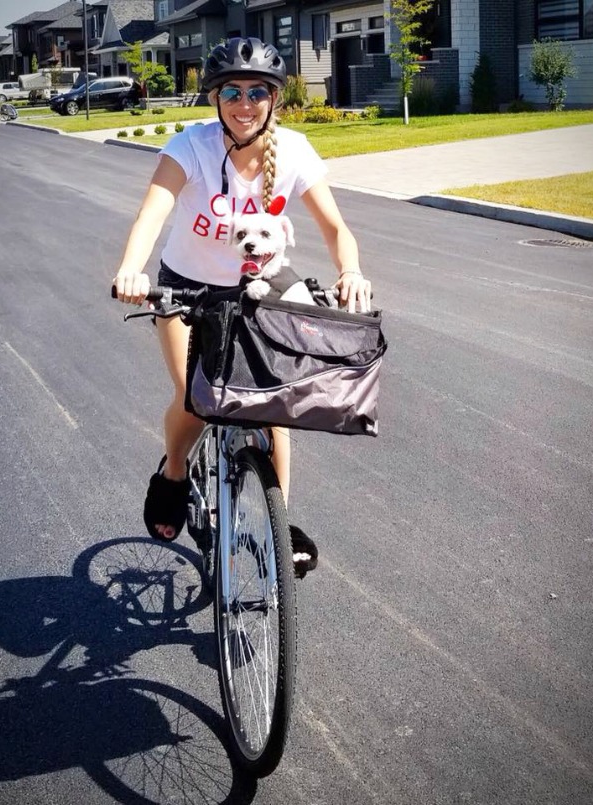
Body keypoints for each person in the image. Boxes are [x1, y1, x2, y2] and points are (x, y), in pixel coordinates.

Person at [112, 37, 372, 577]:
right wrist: (132, 269)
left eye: (258, 91)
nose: (245, 101)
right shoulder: (191, 146)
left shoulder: (295, 150)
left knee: (272, 402)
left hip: (260, 288)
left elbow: (336, 229)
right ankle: (176, 473)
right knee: (195, 395)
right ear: (215, 99)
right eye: (232, 90)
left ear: (274, 99)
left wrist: (350, 272)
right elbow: (151, 216)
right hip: (187, 287)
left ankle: (277, 519)